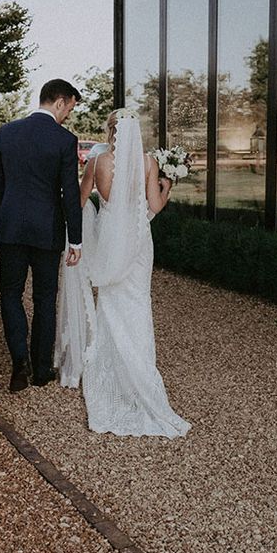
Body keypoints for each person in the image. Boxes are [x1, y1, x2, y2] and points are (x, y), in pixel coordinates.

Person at [55, 108, 191, 438]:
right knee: (137, 303)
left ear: (110, 130)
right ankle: (139, 368)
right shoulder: (147, 163)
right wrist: (167, 184)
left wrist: (81, 223)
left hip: (109, 238)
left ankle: (112, 362)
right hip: (139, 242)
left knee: (111, 300)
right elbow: (155, 206)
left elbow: (80, 198)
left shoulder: (98, 162)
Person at [0, 79, 83, 392]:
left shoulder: (8, 132)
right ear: (60, 102)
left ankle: (19, 362)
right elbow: (70, 194)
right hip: (47, 230)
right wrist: (76, 240)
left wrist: (5, 217)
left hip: (11, 228)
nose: (68, 114)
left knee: (10, 294)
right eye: (69, 108)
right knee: (45, 298)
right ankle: (42, 369)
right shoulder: (65, 140)